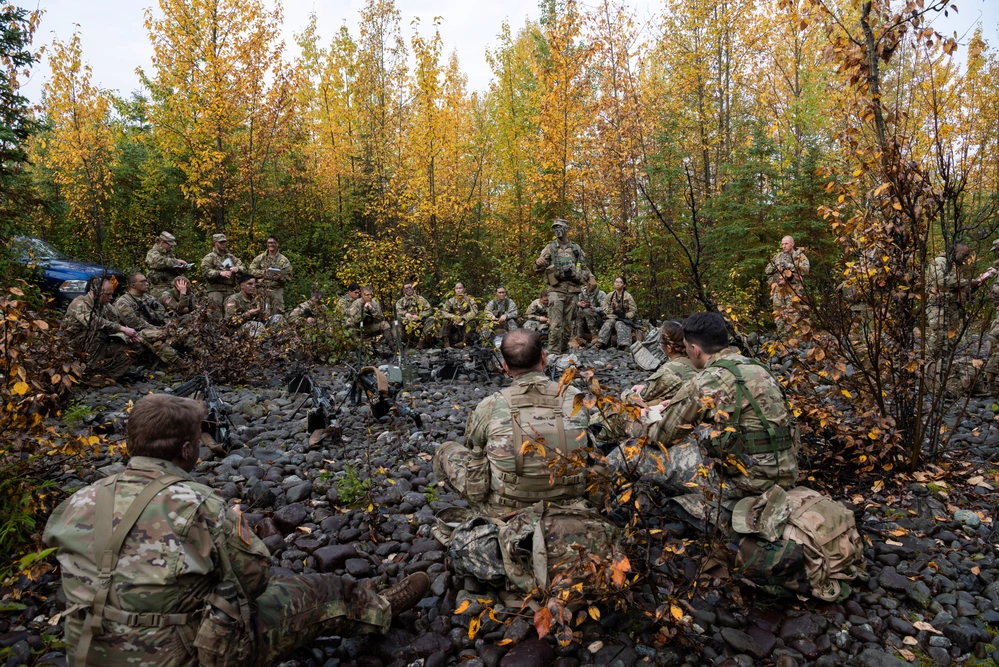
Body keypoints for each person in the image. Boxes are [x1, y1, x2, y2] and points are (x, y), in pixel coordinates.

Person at [43, 393, 430, 667]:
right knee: (316, 590)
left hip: (89, 650)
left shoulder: (76, 502)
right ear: (186, 451)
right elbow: (254, 579)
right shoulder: (198, 504)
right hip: (181, 654)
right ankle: (379, 609)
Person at [633, 312, 799, 525]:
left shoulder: (705, 381)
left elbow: (661, 437)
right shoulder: (758, 368)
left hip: (748, 481)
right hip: (785, 471)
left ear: (694, 349)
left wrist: (649, 417)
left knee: (634, 452)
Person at [433, 329, 591, 517]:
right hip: (569, 503)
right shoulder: (574, 396)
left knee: (446, 449)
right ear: (544, 358)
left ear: (506, 366)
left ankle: (486, 511)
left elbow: (474, 445)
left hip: (506, 509)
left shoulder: (490, 404)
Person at [925, 242, 995, 362]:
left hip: (952, 308)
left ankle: (941, 371)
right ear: (956, 252)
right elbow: (942, 282)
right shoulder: (939, 262)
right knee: (938, 341)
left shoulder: (954, 267)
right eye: (964, 254)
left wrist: (977, 284)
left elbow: (961, 290)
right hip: (939, 308)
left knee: (949, 342)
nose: (966, 258)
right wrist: (967, 282)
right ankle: (927, 369)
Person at [60, 276, 138, 381]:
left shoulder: (104, 305)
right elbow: (93, 322)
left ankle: (108, 375)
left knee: (129, 351)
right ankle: (88, 372)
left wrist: (128, 335)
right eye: (107, 294)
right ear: (95, 292)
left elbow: (116, 320)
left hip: (95, 344)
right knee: (98, 332)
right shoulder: (79, 303)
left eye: (111, 294)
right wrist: (122, 329)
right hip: (72, 346)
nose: (111, 297)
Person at [534, 218, 591, 354]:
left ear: (566, 229)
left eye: (559, 227)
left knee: (568, 324)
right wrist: (538, 263)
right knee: (555, 323)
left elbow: (582, 266)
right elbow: (537, 268)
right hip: (555, 289)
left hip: (573, 290)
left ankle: (564, 350)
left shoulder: (576, 248)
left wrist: (582, 275)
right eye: (554, 228)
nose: (557, 230)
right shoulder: (550, 247)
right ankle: (553, 352)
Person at [623, 320, 697, 405]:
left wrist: (626, 394)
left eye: (660, 342)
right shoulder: (699, 361)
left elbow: (641, 397)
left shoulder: (668, 370)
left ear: (669, 348)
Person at [114, 273, 180, 365]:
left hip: (156, 329)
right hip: (136, 334)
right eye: (142, 281)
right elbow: (134, 323)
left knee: (182, 327)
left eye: (146, 280)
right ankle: (178, 362)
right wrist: (160, 330)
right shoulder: (123, 302)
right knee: (152, 334)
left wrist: (169, 325)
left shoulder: (149, 297)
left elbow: (163, 314)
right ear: (133, 285)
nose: (147, 283)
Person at [765, 236, 810, 334]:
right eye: (782, 244)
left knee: (792, 313)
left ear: (793, 244)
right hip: (779, 290)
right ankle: (782, 336)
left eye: (786, 244)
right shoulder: (778, 256)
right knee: (778, 312)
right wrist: (776, 267)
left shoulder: (799, 256)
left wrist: (788, 266)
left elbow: (805, 270)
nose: (784, 246)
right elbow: (767, 270)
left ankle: (794, 339)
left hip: (793, 290)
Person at [249, 235, 293, 315]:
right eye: (269, 243)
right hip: (261, 290)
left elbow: (289, 276)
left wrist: (280, 277)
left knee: (277, 313)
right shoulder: (260, 258)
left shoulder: (284, 260)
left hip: (276, 290)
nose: (270, 245)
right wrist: (263, 272)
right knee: (260, 312)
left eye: (273, 243)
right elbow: (251, 270)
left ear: (277, 244)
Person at [201, 233, 246, 309]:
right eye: (221, 242)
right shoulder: (210, 257)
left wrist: (237, 269)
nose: (223, 244)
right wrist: (219, 273)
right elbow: (205, 271)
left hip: (230, 289)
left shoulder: (230, 257)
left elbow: (243, 267)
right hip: (215, 289)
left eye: (224, 242)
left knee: (231, 312)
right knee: (215, 312)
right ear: (215, 243)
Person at [145, 231, 190, 300]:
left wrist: (182, 267)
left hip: (171, 286)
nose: (171, 246)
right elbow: (158, 263)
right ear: (162, 243)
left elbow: (171, 267)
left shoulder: (169, 254)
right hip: (159, 288)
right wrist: (176, 261)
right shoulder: (153, 252)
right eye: (169, 244)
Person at [596, 277, 637, 350]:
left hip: (624, 318)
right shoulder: (610, 295)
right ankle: (601, 342)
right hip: (612, 317)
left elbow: (633, 310)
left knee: (620, 324)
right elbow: (605, 308)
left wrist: (626, 315)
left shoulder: (628, 296)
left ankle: (624, 344)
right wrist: (613, 311)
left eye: (620, 282)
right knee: (609, 322)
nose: (617, 284)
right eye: (616, 282)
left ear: (624, 285)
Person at [395, 280, 434, 348]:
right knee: (396, 320)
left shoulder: (420, 299)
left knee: (431, 319)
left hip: (419, 321)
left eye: (410, 287)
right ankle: (398, 343)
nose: (409, 289)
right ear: (404, 290)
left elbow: (429, 310)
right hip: (407, 322)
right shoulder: (400, 301)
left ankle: (421, 343)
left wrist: (419, 316)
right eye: (407, 288)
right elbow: (397, 311)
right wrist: (405, 314)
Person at [440, 282, 478, 348]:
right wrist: (454, 317)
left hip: (465, 321)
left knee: (472, 321)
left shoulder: (470, 300)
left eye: (460, 288)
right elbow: (444, 312)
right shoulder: (451, 300)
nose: (458, 290)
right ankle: (446, 342)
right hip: (454, 322)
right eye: (456, 288)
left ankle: (464, 342)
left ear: (464, 289)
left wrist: (462, 318)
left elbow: (474, 312)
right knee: (445, 320)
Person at [575, 275, 606, 342]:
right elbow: (573, 303)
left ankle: (595, 335)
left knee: (587, 311)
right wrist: (579, 304)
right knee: (579, 311)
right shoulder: (581, 293)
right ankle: (579, 336)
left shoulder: (600, 294)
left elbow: (605, 308)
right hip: (582, 316)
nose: (590, 290)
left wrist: (594, 308)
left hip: (597, 317)